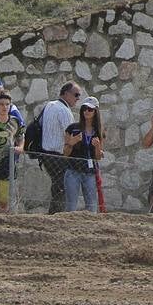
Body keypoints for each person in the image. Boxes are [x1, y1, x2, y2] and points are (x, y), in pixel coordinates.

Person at [38, 81, 82, 213]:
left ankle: (54, 214)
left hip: (46, 155)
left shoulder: (49, 105)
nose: (78, 98)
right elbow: (71, 135)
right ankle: (55, 216)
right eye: (76, 95)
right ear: (66, 94)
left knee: (58, 186)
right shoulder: (64, 110)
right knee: (62, 188)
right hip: (59, 156)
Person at [62, 96, 104, 213]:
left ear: (96, 112)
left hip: (90, 172)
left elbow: (98, 158)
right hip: (73, 170)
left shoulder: (99, 132)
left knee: (91, 207)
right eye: (84, 108)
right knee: (71, 206)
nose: (86, 111)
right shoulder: (72, 128)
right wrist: (71, 143)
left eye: (90, 109)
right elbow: (65, 154)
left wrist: (97, 147)